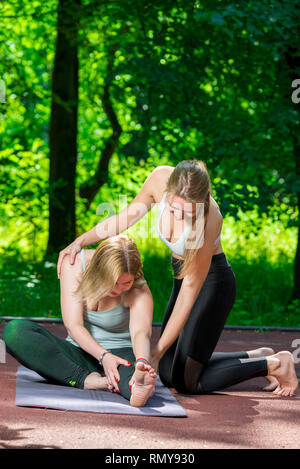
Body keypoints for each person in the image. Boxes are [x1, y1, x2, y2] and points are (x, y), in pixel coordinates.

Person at [56, 160, 298, 397]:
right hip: (182, 275)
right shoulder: (160, 178)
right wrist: (79, 242)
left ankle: (275, 364)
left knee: (187, 383)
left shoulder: (209, 218)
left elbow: (189, 294)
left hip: (212, 284)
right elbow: (124, 218)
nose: (180, 217)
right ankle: (254, 356)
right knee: (168, 374)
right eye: (174, 209)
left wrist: (155, 353)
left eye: (188, 213)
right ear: (168, 191)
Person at [3, 235, 157, 407]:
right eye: (112, 282)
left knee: (135, 381)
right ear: (99, 269)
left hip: (121, 357)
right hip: (79, 352)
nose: (117, 289)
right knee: (15, 331)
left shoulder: (139, 289)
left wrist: (142, 361)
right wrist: (103, 356)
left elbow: (140, 333)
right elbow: (73, 326)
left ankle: (137, 386)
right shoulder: (74, 265)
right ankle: (86, 380)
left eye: (125, 283)